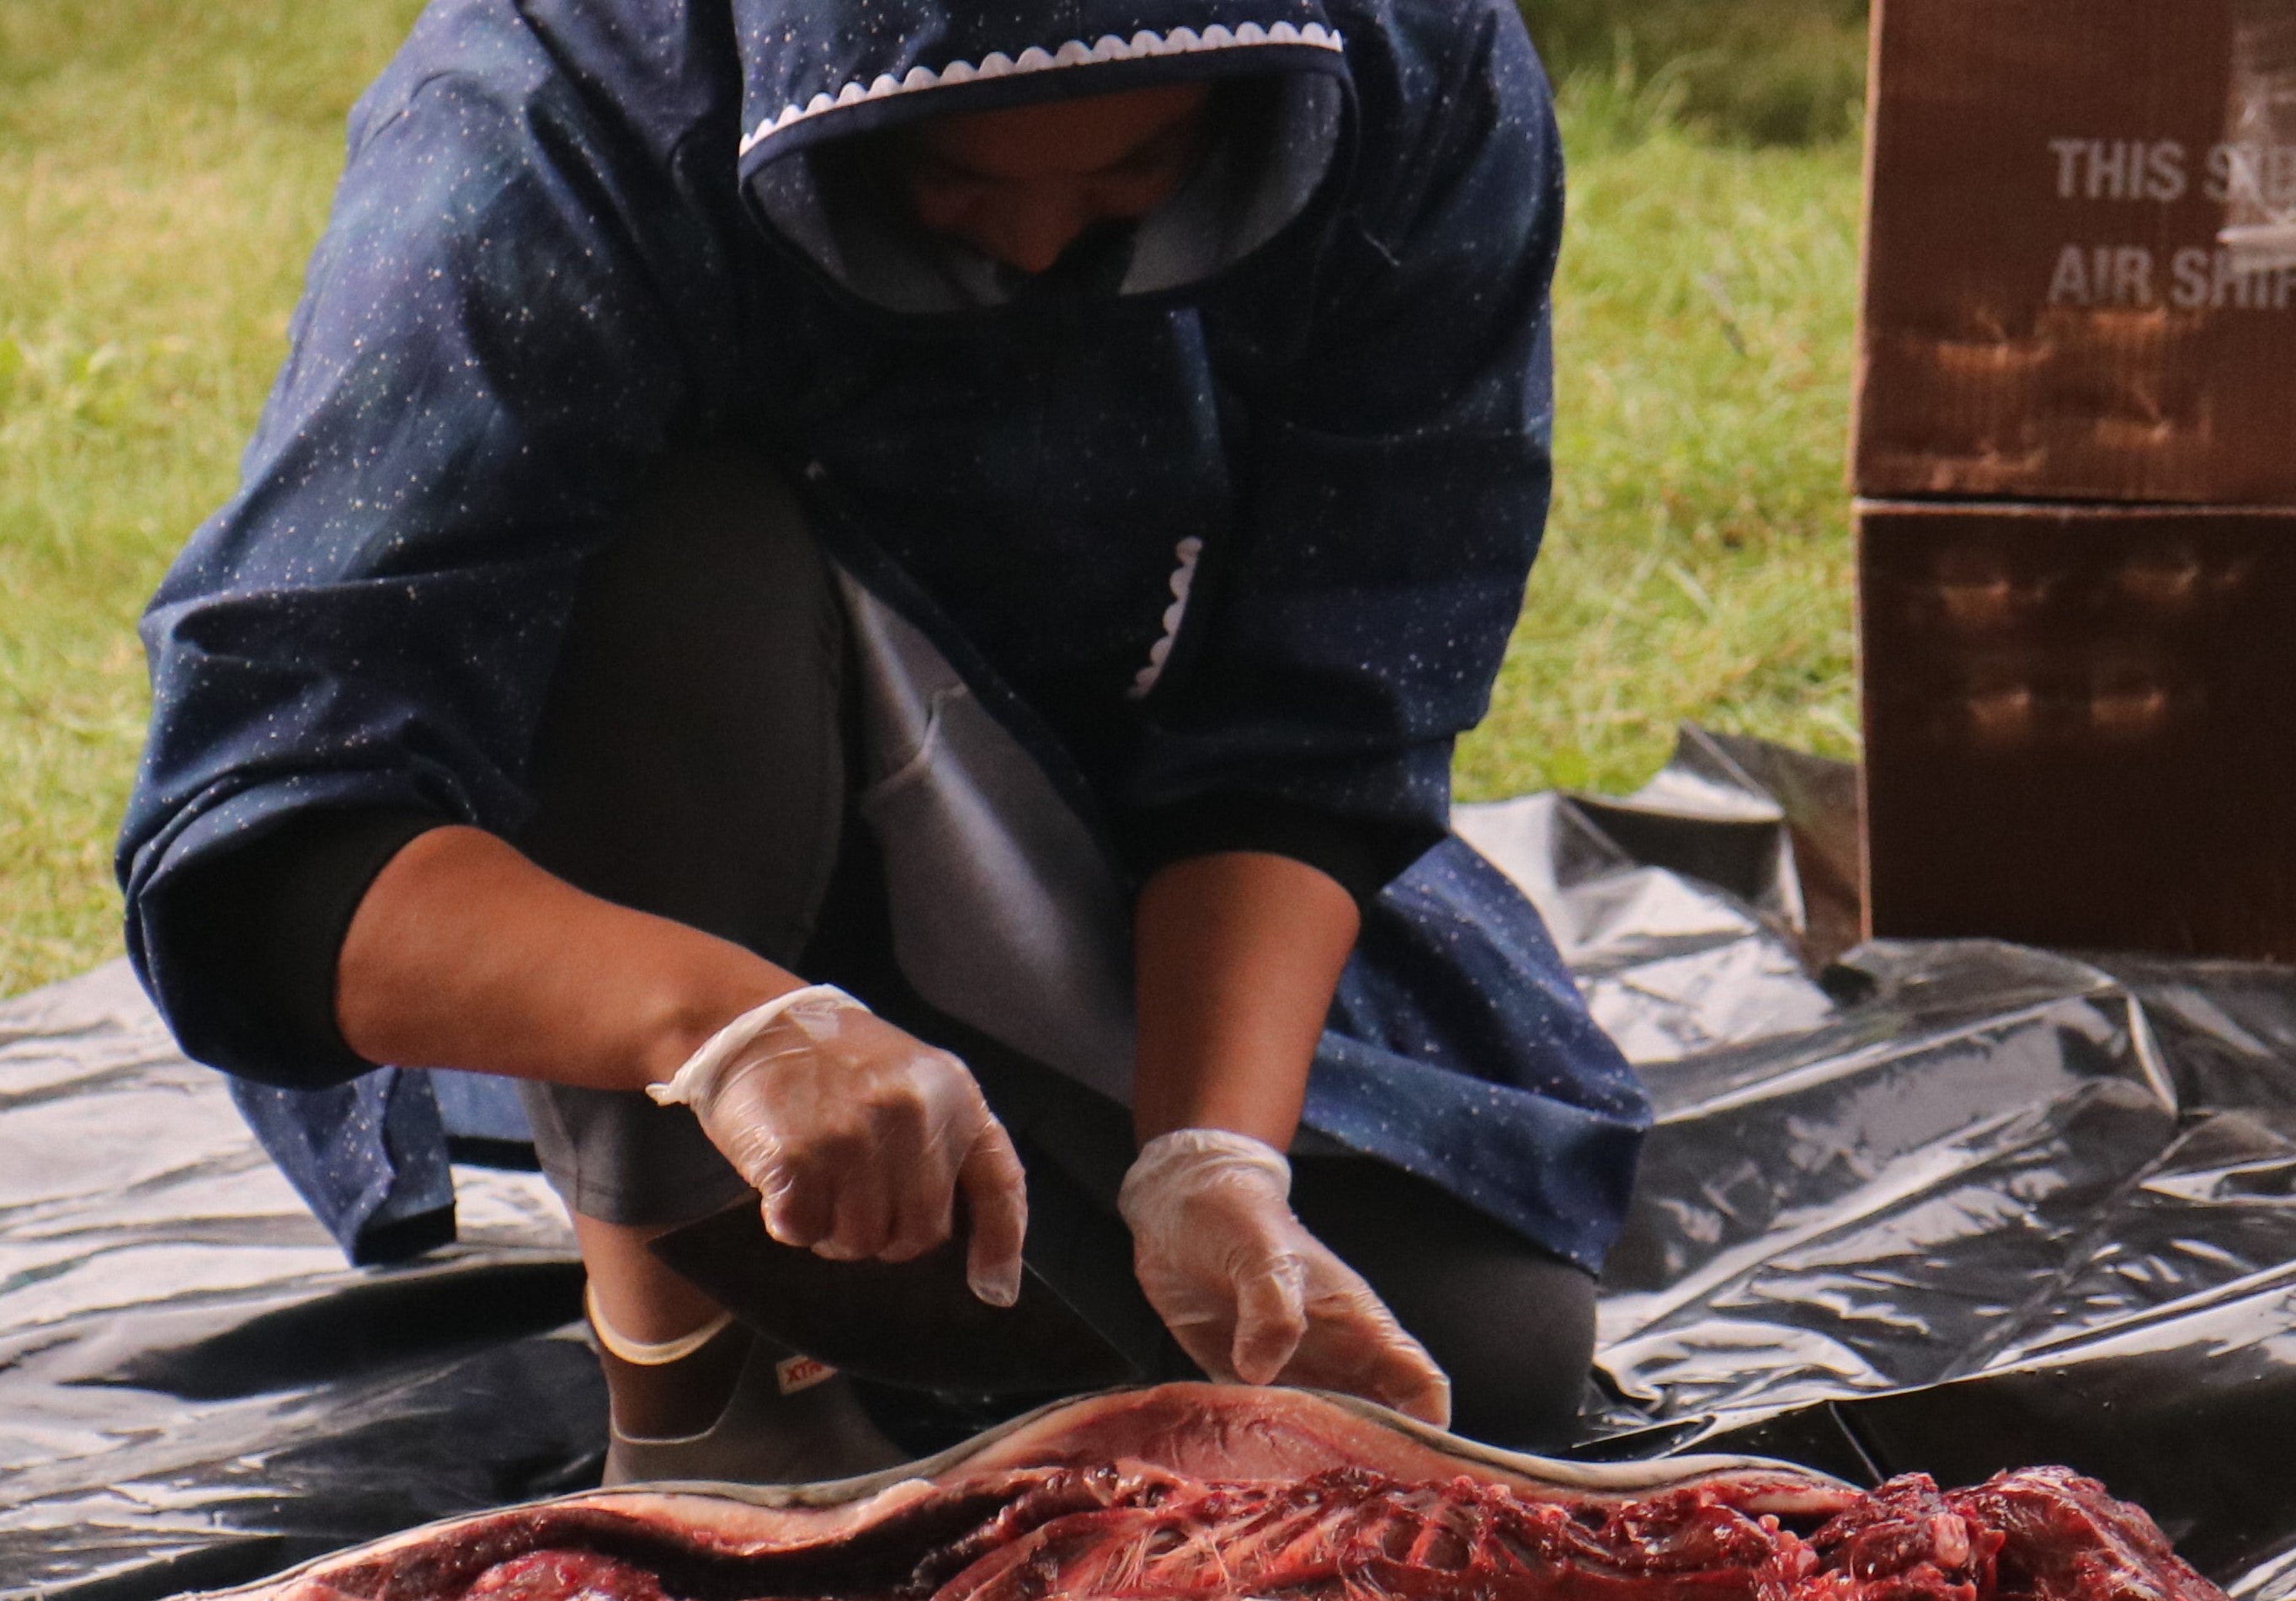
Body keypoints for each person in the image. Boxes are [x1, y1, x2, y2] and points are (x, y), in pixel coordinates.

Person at [117, 0, 1652, 1482]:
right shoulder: (549, 116)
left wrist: (1212, 1157)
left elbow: (1324, 720)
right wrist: (717, 1030)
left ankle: (976, 1220)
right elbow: (262, 844)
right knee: (674, 557)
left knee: (1487, 1367)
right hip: (662, 839)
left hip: (1088, 818)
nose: (1047, 243)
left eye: (1137, 174)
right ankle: (698, 1387)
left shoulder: (1407, 66)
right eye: (950, 176)